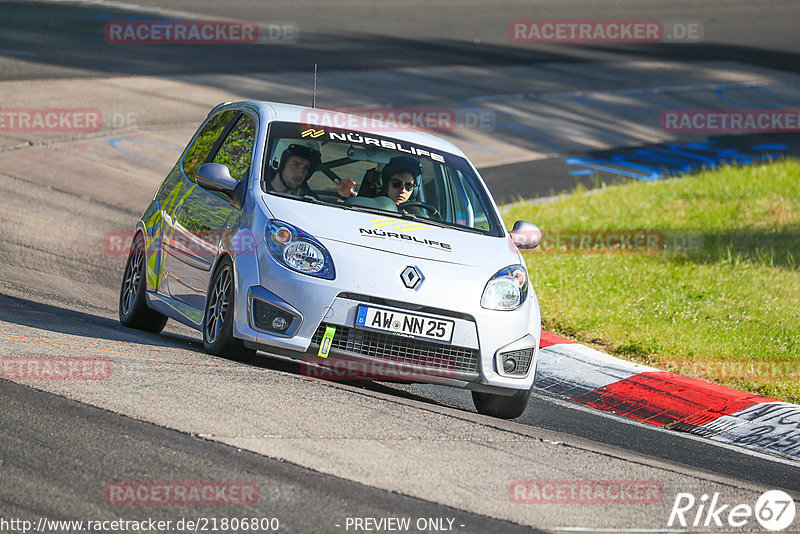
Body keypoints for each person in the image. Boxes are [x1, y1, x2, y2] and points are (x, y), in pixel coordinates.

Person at [267, 143, 355, 200]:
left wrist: (342, 197)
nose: (301, 173)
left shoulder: (310, 200)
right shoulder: (256, 188)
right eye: (296, 164)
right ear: (279, 161)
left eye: (306, 168)